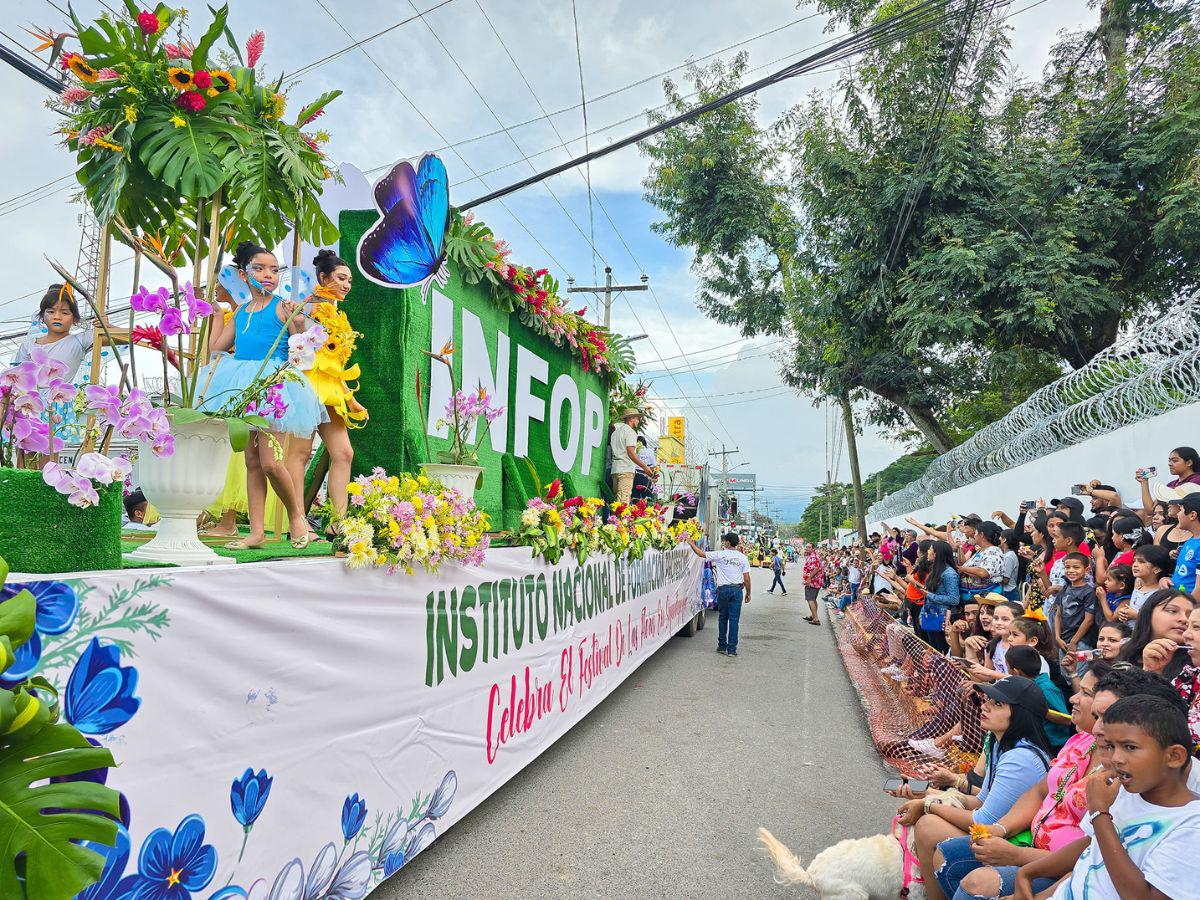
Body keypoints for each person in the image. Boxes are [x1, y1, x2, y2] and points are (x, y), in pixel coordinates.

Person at [199, 241, 325, 550]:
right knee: (253, 462)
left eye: (273, 269)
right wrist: (215, 314)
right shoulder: (241, 311)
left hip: (274, 387)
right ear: (244, 275)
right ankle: (255, 533)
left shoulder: (283, 306)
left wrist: (298, 326)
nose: (268, 275)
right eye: (259, 268)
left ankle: (297, 517)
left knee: (271, 462)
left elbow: (304, 342)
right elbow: (217, 348)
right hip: (245, 384)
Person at [1014, 696, 1200, 900]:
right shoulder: (1124, 791)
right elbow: (1090, 845)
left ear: (1174, 756)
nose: (1116, 758)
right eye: (1111, 746)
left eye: (1130, 747)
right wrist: (1028, 872)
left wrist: (1099, 813)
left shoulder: (1191, 825)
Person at [897, 676, 1052, 899]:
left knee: (928, 826)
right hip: (997, 831)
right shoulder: (1003, 743)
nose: (985, 706)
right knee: (928, 822)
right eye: (987, 699)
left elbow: (984, 820)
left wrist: (929, 804)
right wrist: (928, 793)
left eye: (997, 704)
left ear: (1020, 714)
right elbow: (980, 801)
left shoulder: (1021, 758)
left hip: (1012, 841)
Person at [283, 250, 368, 535]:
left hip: (330, 390)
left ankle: (337, 523)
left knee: (344, 453)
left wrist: (350, 397)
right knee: (300, 453)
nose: (347, 285)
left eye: (349, 281)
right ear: (323, 278)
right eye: (341, 278)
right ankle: (298, 522)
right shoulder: (307, 308)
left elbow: (334, 362)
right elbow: (298, 349)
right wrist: (297, 321)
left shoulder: (336, 314)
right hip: (306, 386)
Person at [683, 533, 750, 657]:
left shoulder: (720, 554)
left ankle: (721, 646)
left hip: (723, 590)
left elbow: (701, 554)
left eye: (725, 541)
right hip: (737, 590)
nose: (723, 543)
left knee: (723, 618)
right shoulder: (742, 557)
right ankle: (732, 650)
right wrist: (748, 593)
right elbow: (746, 578)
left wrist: (691, 543)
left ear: (729, 543)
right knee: (734, 620)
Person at [12, 284, 96, 381]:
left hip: (62, 395)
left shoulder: (81, 340)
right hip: (29, 396)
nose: (57, 317)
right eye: (51, 312)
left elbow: (113, 335)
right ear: (42, 316)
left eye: (65, 313)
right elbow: (16, 379)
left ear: (75, 319)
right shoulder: (28, 346)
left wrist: (107, 326)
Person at [1121, 588, 1195, 680]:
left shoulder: (1195, 665)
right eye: (1172, 611)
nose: (1184, 619)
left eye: (1190, 615)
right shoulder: (1124, 654)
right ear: (1148, 614)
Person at [608, 409, 654, 505]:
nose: (638, 421)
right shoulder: (631, 432)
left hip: (615, 469)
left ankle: (615, 519)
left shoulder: (615, 433)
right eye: (637, 419)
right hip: (626, 469)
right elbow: (631, 453)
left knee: (617, 501)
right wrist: (645, 467)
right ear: (631, 418)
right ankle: (620, 520)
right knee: (623, 502)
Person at [1056, 552, 1097, 656]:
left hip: (1081, 641)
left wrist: (1074, 641)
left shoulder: (1089, 592)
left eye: (1076, 567)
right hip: (1064, 641)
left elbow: (1088, 620)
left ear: (1086, 570)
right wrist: (1057, 637)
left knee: (1079, 671)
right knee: (1065, 670)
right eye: (1067, 567)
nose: (1071, 571)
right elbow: (1058, 614)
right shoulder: (1065, 589)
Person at [1170, 493, 1200, 600]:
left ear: (1192, 515)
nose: (1178, 514)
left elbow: (1199, 590)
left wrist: (1187, 609)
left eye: (1181, 510)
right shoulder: (1191, 540)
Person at [801, 545, 826, 626]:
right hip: (815, 581)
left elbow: (816, 569)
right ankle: (813, 616)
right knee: (813, 599)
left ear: (813, 549)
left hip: (812, 582)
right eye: (806, 547)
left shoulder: (813, 557)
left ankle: (816, 619)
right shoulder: (812, 556)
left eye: (809, 547)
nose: (806, 548)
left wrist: (809, 578)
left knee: (810, 599)